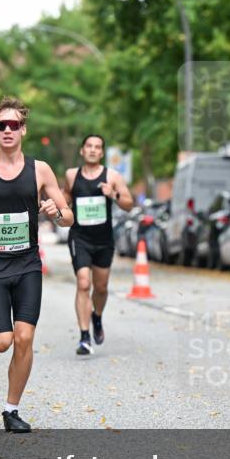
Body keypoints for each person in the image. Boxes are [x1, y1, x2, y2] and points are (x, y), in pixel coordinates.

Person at [0, 96, 73, 433]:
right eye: (1, 125)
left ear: (24, 130)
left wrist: (57, 213)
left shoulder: (41, 170)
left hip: (26, 265)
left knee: (24, 339)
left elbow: (68, 217)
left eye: (14, 125)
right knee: (2, 342)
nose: (8, 130)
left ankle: (11, 410)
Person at [64, 134, 134, 355]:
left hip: (104, 240)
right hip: (79, 238)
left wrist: (113, 194)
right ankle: (84, 337)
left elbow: (129, 204)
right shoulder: (71, 175)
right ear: (82, 151)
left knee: (101, 287)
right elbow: (64, 198)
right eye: (89, 146)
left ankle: (97, 316)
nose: (93, 150)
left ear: (102, 153)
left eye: (97, 147)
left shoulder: (112, 176)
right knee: (84, 283)